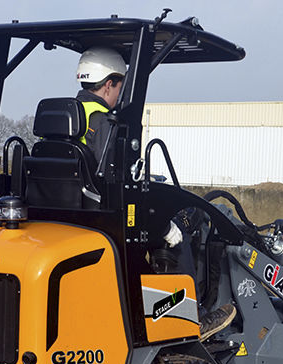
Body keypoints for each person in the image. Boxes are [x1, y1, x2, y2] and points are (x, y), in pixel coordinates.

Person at [75, 47, 236, 341]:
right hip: (106, 218)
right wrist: (163, 225)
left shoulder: (67, 119)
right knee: (183, 225)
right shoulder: (105, 124)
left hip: (72, 213)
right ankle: (191, 318)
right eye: (120, 85)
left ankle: (154, 306)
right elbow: (116, 183)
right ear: (109, 84)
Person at [75, 47, 126, 162]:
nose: (120, 95)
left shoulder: (61, 114)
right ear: (108, 86)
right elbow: (108, 172)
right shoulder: (103, 121)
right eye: (120, 88)